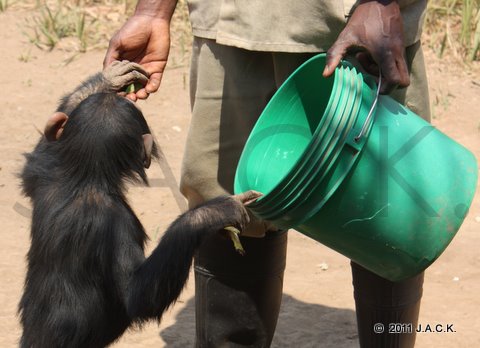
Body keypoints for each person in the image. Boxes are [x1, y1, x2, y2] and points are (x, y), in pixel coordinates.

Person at [104, 0, 429, 347]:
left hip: (357, 22)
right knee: (224, 201)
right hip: (235, 23)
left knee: (388, 205)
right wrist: (153, 11)